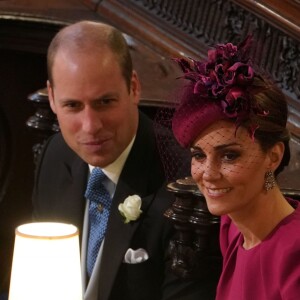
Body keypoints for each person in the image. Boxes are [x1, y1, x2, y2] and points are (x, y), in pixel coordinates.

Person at [32, 20, 221, 300]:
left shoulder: (187, 181)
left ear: (133, 88)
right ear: (52, 98)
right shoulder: (55, 154)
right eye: (72, 105)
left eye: (104, 102)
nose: (90, 126)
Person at [170, 36, 300, 299]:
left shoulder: (295, 253)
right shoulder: (231, 225)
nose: (208, 174)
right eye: (198, 155)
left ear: (273, 157)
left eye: (229, 155)